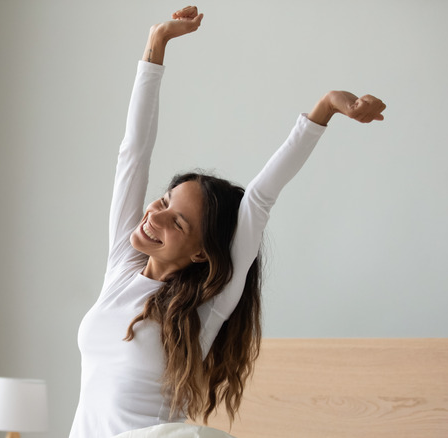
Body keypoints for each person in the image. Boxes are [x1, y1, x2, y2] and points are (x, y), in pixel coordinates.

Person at [70, 6, 386, 438]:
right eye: (163, 201)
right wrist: (156, 43)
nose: (154, 216)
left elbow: (259, 198)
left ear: (202, 252)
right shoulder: (121, 269)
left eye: (177, 222)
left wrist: (325, 107)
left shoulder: (207, 306)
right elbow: (134, 154)